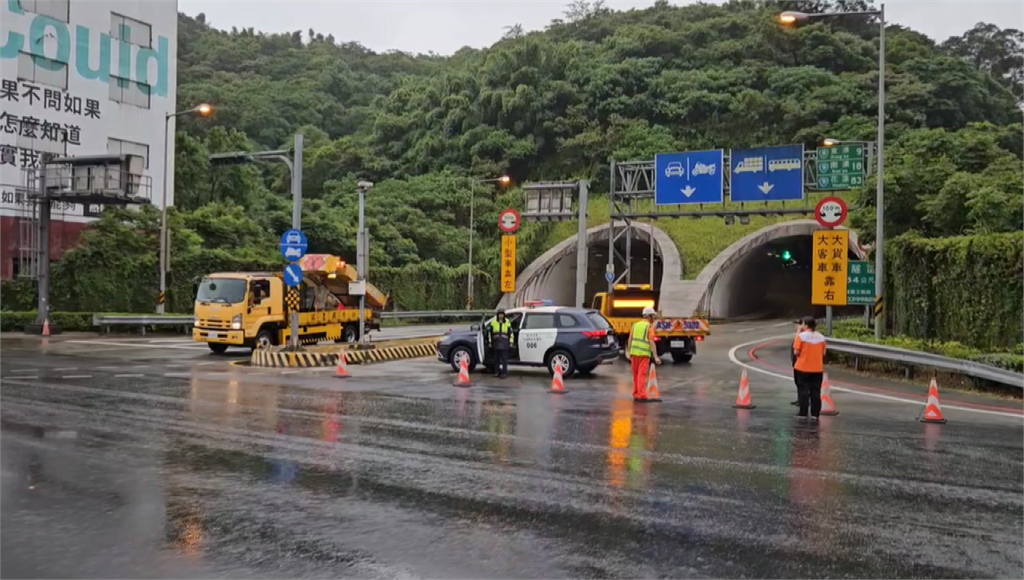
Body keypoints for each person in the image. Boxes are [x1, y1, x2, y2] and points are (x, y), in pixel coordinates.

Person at [793, 315, 827, 420]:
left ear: (806, 325)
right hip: (817, 369)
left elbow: (796, 351)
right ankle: (815, 414)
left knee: (803, 390)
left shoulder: (801, 336)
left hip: (802, 368)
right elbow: (824, 353)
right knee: (815, 391)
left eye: (802, 323)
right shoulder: (821, 337)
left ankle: (803, 413)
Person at [627, 306, 662, 402]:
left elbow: (630, 339)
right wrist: (656, 356)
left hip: (634, 354)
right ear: (649, 316)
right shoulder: (649, 327)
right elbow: (651, 341)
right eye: (653, 316)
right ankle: (642, 395)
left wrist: (629, 352)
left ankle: (636, 393)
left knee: (636, 375)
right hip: (643, 354)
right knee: (641, 375)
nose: (654, 319)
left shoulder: (635, 325)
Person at [487, 308, 514, 378]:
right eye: (499, 314)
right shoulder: (493, 322)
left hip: (504, 344)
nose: (501, 316)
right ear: (497, 315)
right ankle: (497, 372)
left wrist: (511, 342)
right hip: (496, 343)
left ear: (504, 315)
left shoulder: (507, 322)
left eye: (502, 314)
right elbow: (490, 333)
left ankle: (504, 373)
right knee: (496, 359)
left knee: (504, 360)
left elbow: (510, 333)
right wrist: (490, 342)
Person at [790, 320, 801, 406]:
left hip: (801, 364)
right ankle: (799, 398)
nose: (795, 326)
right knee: (797, 382)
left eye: (797, 324)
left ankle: (803, 400)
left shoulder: (802, 336)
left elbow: (796, 350)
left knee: (802, 383)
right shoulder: (798, 335)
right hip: (796, 363)